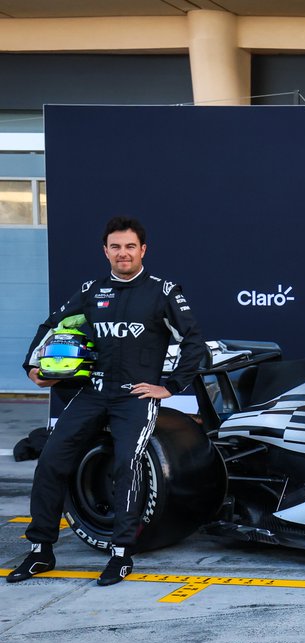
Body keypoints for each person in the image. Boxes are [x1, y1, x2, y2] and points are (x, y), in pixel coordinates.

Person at [7, 216, 206, 586]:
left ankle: (120, 554)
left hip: (134, 396)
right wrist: (31, 366)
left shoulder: (162, 292)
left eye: (130, 246)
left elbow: (194, 341)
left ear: (143, 250)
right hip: (92, 392)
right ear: (105, 251)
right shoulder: (90, 290)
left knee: (125, 466)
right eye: (115, 247)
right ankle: (40, 551)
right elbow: (51, 327)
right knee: (51, 461)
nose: (123, 253)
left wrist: (171, 386)